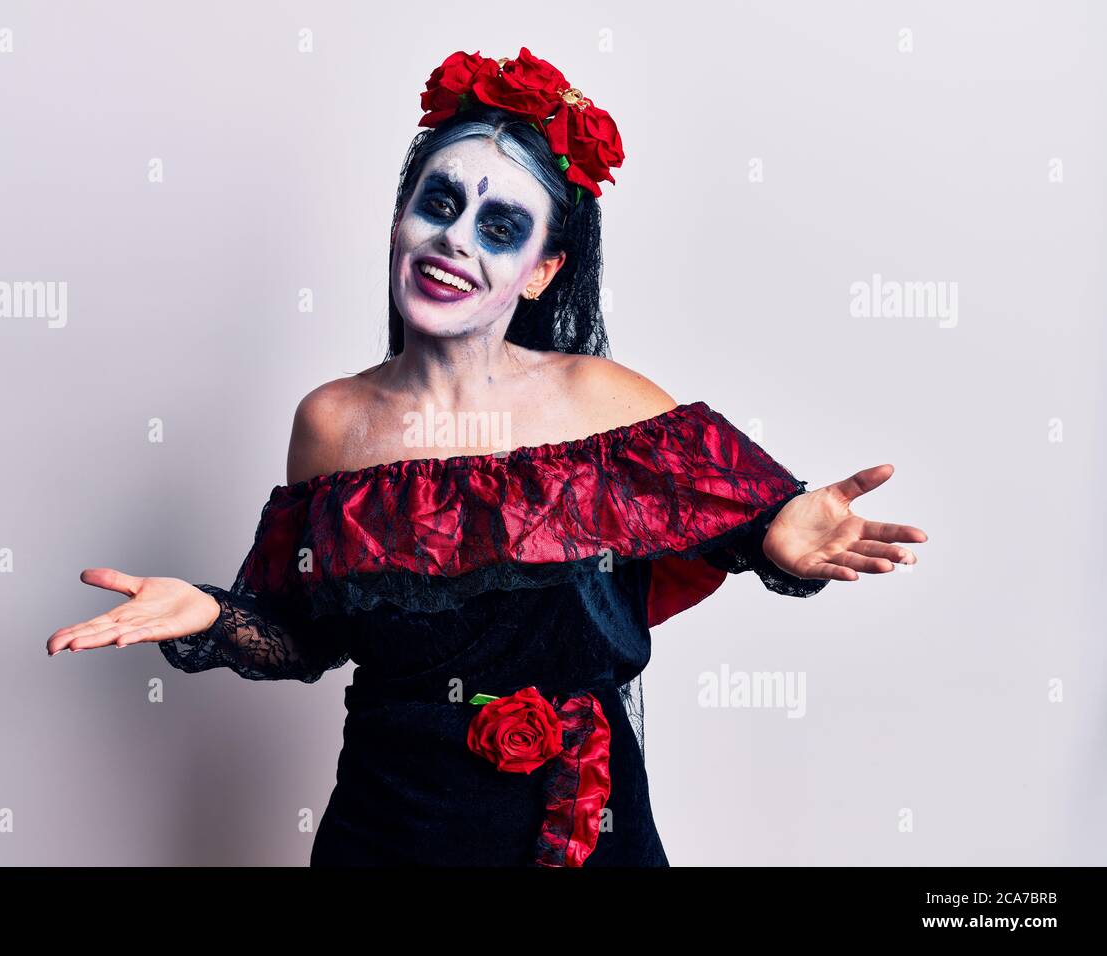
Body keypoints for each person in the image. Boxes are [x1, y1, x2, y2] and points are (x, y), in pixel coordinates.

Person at [46, 47, 928, 867]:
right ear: (400, 218)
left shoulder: (605, 404)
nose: (456, 240)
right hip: (385, 840)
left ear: (543, 270)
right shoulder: (331, 420)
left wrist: (775, 531)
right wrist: (207, 611)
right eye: (439, 204)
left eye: (501, 225)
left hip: (586, 836)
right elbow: (307, 638)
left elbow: (740, 521)